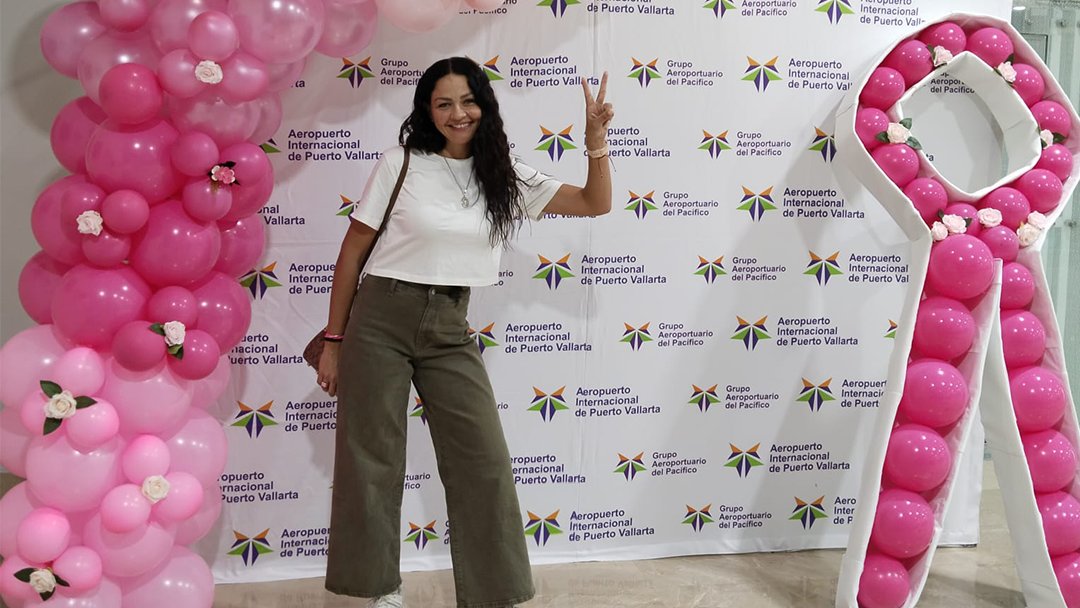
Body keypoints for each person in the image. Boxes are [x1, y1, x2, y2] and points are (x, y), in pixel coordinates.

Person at [317, 56, 614, 608]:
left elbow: (596, 204)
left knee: (484, 462)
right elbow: (353, 249)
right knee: (371, 459)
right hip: (381, 315)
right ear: (427, 112)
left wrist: (595, 141)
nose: (458, 113)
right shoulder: (400, 163)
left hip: (451, 325)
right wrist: (333, 341)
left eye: (468, 100)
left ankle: (495, 594)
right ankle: (379, 589)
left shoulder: (504, 174)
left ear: (485, 104)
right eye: (444, 103)